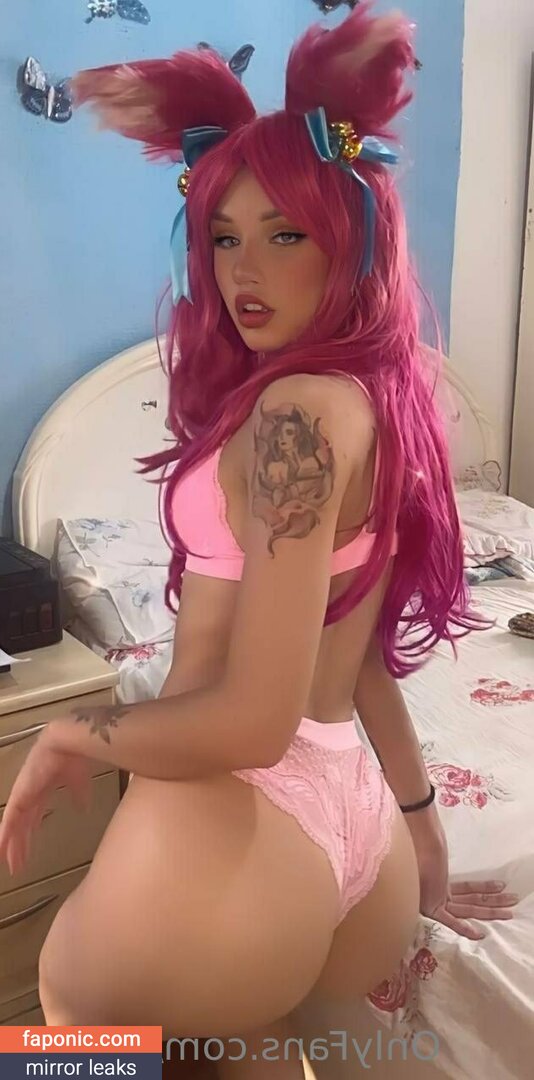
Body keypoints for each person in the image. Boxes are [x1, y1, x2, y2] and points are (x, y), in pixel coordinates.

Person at [0, 4, 517, 1077]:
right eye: (225, 236)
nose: (246, 271)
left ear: (352, 238)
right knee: (252, 1040)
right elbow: (353, 644)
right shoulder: (370, 397)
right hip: (351, 825)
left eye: (286, 235)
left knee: (64, 1026)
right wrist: (419, 824)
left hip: (240, 821)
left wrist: (73, 735)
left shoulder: (293, 415)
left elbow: (248, 721)